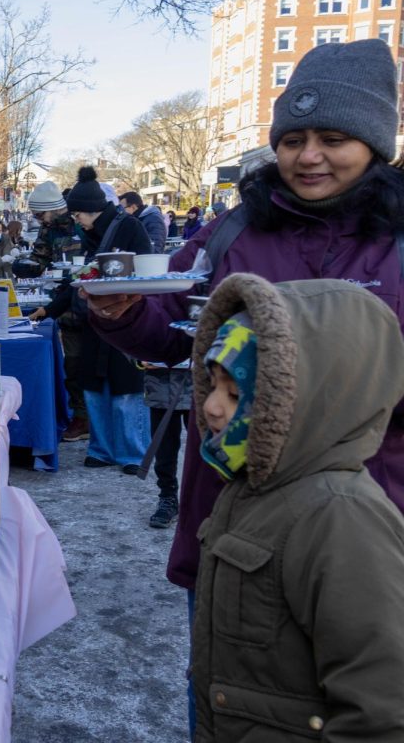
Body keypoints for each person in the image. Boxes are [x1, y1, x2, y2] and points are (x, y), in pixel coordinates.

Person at [84, 39, 404, 735]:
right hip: (232, 520)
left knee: (364, 698)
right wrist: (126, 313)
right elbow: (174, 331)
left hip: (361, 524)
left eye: (333, 138)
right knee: (231, 695)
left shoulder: (397, 241)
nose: (308, 156)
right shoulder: (231, 232)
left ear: (376, 145)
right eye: (292, 139)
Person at [191, 274, 404, 742]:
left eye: (235, 392)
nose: (210, 406)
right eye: (212, 384)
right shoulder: (252, 487)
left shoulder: (341, 517)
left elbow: (381, 712)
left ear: (306, 397)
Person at [67, 167, 153, 471]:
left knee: (126, 388)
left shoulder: (129, 227)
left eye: (78, 214)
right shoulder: (91, 234)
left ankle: (133, 452)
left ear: (91, 210)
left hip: (126, 318)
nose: (76, 220)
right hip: (95, 321)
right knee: (94, 386)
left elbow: (144, 270)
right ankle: (101, 449)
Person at [26, 180, 89, 441]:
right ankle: (82, 417)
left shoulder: (82, 225)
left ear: (52, 208)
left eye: (40, 214)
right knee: (73, 362)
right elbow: (39, 258)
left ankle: (92, 417)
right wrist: (28, 266)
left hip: (87, 299)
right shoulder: (47, 229)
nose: (39, 219)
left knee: (89, 363)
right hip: (62, 304)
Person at [139, 361, 191, 528]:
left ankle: (206, 500)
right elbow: (130, 336)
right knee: (164, 448)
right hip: (160, 386)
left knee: (205, 450)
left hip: (204, 385)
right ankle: (168, 496)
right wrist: (138, 358)